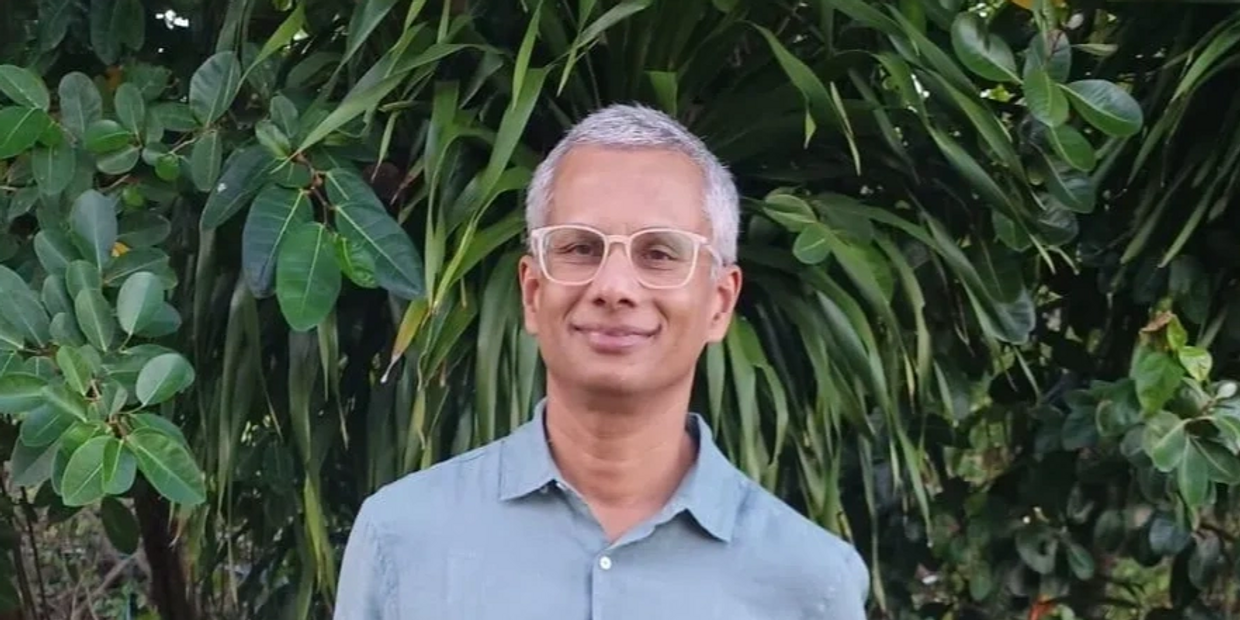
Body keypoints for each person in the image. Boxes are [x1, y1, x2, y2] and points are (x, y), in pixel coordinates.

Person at [333, 104, 870, 619]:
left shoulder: (810, 584)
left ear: (720, 303)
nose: (614, 287)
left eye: (659, 253)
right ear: (532, 293)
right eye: (580, 249)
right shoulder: (403, 540)